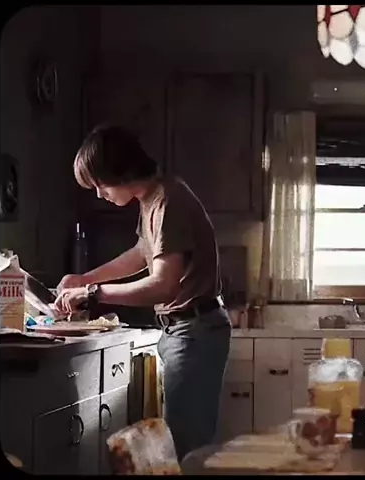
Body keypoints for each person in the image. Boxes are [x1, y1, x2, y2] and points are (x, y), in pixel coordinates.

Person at [53, 124, 231, 460]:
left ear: (119, 171)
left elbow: (163, 284)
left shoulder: (168, 201)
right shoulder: (153, 197)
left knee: (188, 449)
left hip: (194, 331)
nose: (99, 194)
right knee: (184, 443)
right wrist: (85, 278)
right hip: (184, 330)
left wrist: (93, 294)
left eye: (100, 184)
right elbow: (141, 253)